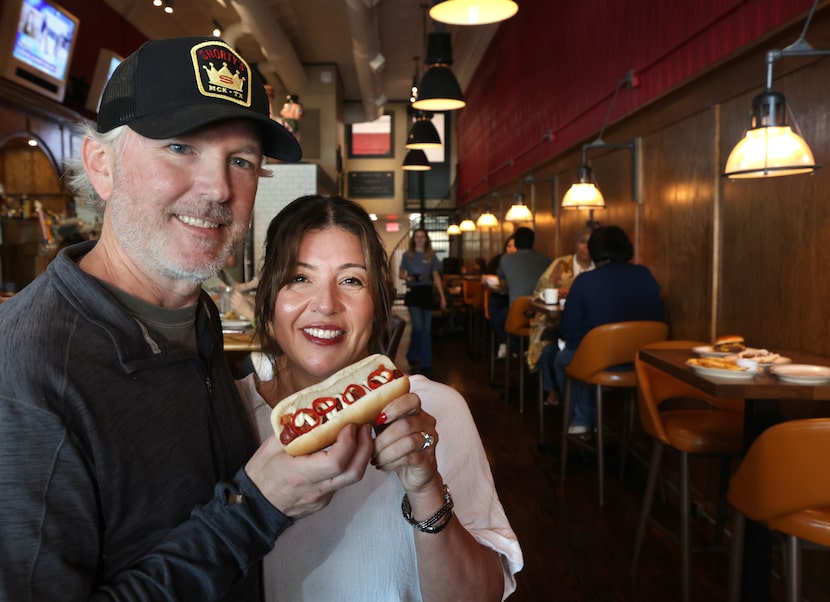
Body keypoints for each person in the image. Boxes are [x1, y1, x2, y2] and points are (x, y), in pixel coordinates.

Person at [0, 37, 375, 600]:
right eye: (179, 147)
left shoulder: (195, 315)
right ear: (102, 165)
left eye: (242, 161)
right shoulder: (27, 373)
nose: (218, 188)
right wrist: (257, 509)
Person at [237, 194, 523, 600]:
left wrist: (426, 489)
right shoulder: (229, 414)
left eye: (352, 280)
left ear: (378, 304)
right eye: (300, 278)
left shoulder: (436, 411)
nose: (325, 304)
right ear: (268, 298)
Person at [552, 225, 663, 434]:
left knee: (562, 359)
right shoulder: (645, 275)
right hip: (640, 363)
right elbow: (657, 317)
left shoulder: (585, 281)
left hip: (598, 362)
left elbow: (568, 330)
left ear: (595, 250)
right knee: (585, 355)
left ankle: (580, 419)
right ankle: (597, 422)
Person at [529, 226, 596, 404]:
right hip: (555, 323)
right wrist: (558, 293)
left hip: (591, 330)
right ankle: (553, 391)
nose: (585, 247)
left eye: (590, 244)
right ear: (576, 243)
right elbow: (538, 293)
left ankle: (577, 402)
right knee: (549, 350)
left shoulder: (599, 269)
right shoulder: (560, 264)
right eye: (582, 242)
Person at [492, 226, 550, 357]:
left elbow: (503, 282)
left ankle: (515, 349)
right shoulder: (546, 260)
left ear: (516, 243)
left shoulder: (506, 259)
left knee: (498, 320)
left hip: (517, 311)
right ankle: (527, 349)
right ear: (532, 242)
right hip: (542, 312)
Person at [399, 227, 447, 375]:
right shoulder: (408, 255)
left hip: (427, 293)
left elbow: (436, 277)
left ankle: (426, 362)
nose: (419, 239)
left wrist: (443, 296)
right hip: (414, 293)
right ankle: (412, 354)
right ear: (414, 239)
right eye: (417, 237)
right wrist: (410, 278)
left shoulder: (431, 255)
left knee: (426, 330)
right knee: (418, 327)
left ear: (426, 239)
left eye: (422, 237)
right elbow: (401, 274)